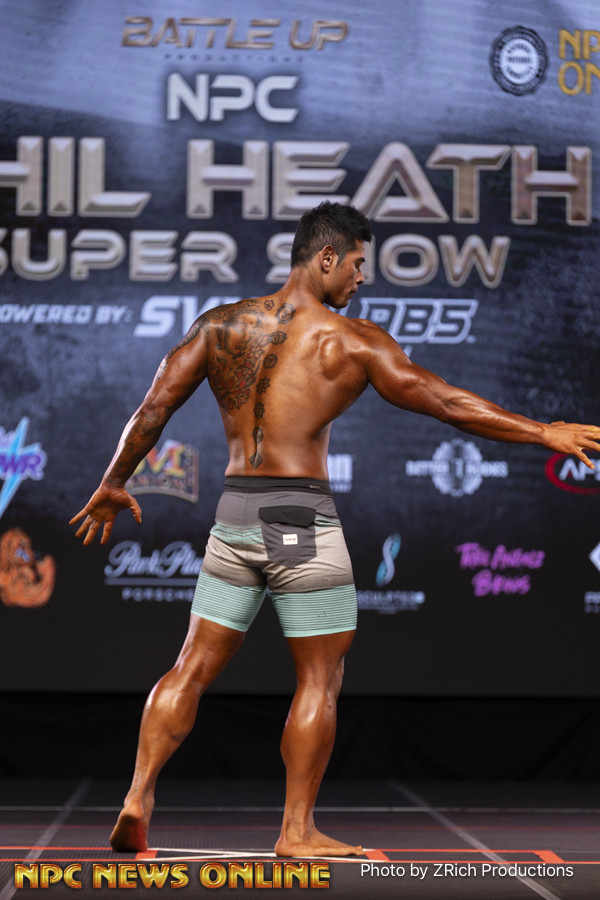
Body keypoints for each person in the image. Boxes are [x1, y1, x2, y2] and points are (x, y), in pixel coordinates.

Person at [71, 201, 600, 858]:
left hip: (235, 515)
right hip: (299, 517)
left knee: (191, 666)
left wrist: (113, 481)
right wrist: (541, 431)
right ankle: (296, 832)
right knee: (320, 678)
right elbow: (444, 402)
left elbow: (152, 408)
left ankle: (137, 796)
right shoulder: (351, 341)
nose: (360, 278)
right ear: (326, 257)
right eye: (356, 264)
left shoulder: (220, 325)